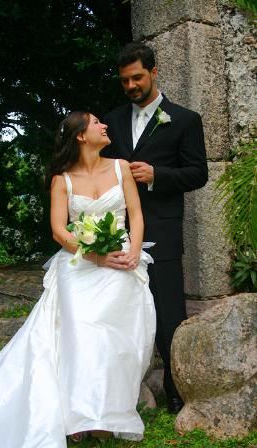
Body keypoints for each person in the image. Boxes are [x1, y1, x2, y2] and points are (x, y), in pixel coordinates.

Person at [0, 111, 156, 447]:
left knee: (114, 332)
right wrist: (96, 256)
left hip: (122, 257)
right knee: (81, 325)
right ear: (81, 135)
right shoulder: (62, 180)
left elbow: (136, 214)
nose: (104, 126)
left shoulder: (121, 167)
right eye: (96, 122)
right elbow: (58, 230)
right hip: (79, 263)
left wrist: (133, 252)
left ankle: (105, 412)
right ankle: (78, 413)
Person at [102, 42, 208, 414]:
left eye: (137, 77)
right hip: (117, 228)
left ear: (154, 73)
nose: (131, 85)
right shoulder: (112, 120)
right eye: (124, 80)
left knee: (169, 311)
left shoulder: (184, 119)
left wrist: (156, 175)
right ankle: (118, 392)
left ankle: (177, 390)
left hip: (161, 229)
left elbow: (199, 173)